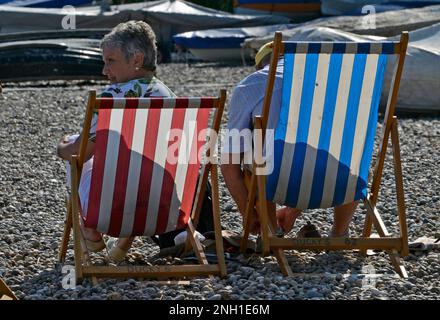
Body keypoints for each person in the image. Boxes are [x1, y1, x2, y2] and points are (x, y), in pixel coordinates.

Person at [57, 20, 175, 262]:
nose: (104, 70)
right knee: (141, 161)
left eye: (110, 61)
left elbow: (81, 152)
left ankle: (91, 230)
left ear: (137, 60)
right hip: (167, 208)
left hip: (111, 211)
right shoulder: (170, 97)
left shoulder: (114, 98)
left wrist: (61, 148)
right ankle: (122, 245)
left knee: (76, 150)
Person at [220, 42, 358, 237]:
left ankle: (270, 231)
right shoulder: (337, 82)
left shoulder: (251, 85)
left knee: (255, 153)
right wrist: (294, 209)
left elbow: (229, 165)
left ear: (261, 66)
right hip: (341, 179)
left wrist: (248, 214)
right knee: (349, 155)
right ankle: (340, 233)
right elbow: (313, 152)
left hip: (277, 179)